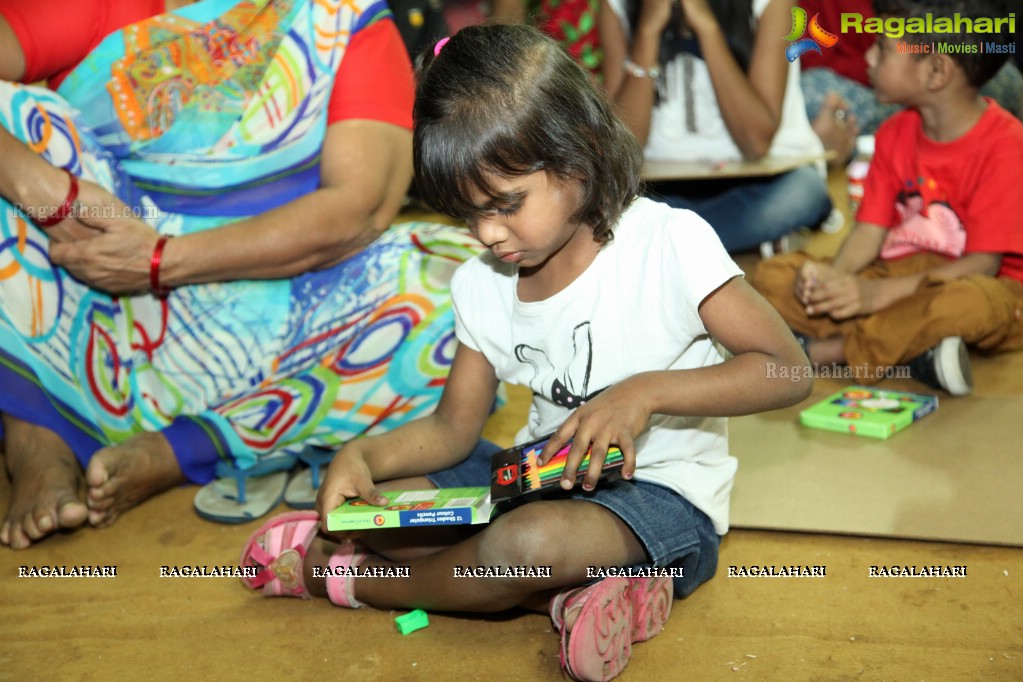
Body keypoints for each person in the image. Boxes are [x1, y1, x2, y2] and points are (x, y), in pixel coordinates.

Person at [238, 24, 811, 682]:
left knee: (526, 545)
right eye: (467, 214)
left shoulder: (668, 243)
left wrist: (642, 393)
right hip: (530, 478)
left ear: (581, 154)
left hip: (658, 495)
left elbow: (787, 370)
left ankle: (362, 585)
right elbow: (454, 428)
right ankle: (569, 595)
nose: (487, 233)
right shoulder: (481, 282)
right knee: (379, 510)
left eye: (506, 204)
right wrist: (361, 457)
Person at [0, 0, 481, 549]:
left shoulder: (341, 19)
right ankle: (37, 432)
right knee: (17, 121)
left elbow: (360, 210)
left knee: (456, 283)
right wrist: (51, 196)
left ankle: (187, 448)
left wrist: (161, 259)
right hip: (92, 289)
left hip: (279, 311)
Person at [751, 0, 1023, 397]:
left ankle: (834, 350)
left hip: (975, 282)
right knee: (772, 276)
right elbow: (869, 231)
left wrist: (873, 296)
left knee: (970, 305)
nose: (869, 56)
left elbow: (982, 265)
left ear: (936, 71)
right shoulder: (896, 132)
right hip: (896, 276)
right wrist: (836, 278)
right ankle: (915, 351)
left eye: (883, 47)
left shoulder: (1007, 145)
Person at [598, 0, 833, 254]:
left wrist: (706, 26)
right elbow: (622, 148)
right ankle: (707, 246)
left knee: (804, 191)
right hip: (657, 188)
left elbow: (756, 142)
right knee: (607, 202)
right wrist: (647, 31)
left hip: (758, 182)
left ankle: (662, 248)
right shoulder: (617, 5)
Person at [799, 0, 1023, 164]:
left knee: (1009, 81)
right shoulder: (893, 136)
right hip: (866, 84)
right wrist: (882, 69)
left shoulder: (1007, 157)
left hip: (921, 67)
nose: (870, 55)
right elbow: (808, 51)